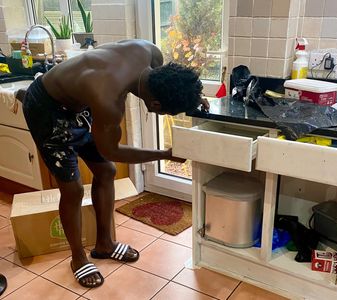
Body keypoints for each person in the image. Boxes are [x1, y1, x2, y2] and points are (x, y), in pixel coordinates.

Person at [17, 39, 209, 288]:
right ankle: (77, 258)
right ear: (155, 105)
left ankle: (105, 244)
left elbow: (175, 80)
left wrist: (194, 96)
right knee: (73, 188)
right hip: (46, 109)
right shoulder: (109, 102)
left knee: (106, 171)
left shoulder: (149, 52)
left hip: (78, 99)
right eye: (166, 114)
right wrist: (164, 154)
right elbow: (113, 150)